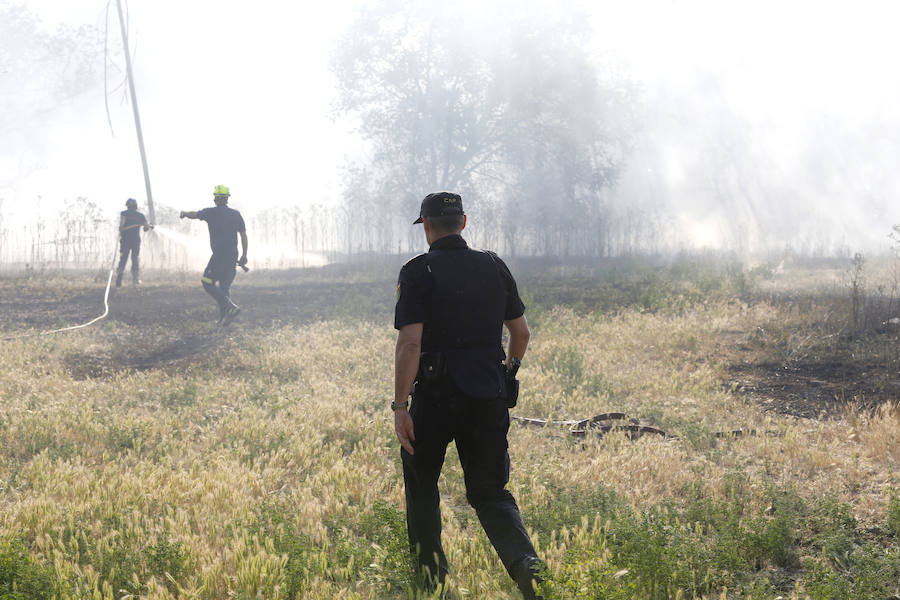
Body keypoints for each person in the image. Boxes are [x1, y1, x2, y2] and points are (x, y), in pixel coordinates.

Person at [392, 192, 544, 599]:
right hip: (488, 396)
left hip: (436, 399)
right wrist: (509, 371)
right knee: (491, 492)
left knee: (422, 486)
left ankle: (431, 584)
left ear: (426, 225)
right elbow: (521, 332)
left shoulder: (418, 271)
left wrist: (400, 406)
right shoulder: (494, 265)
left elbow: (410, 344)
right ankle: (526, 565)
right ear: (463, 222)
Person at [179, 185, 248, 325]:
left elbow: (194, 214)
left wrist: (184, 213)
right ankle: (224, 319)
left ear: (216, 198)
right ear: (227, 198)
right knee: (224, 287)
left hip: (219, 256)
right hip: (232, 256)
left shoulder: (211, 212)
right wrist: (244, 255)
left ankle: (230, 307)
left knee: (206, 282)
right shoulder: (236, 214)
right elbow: (243, 235)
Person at [116, 197, 152, 287]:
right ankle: (135, 280)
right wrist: (147, 227)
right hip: (135, 241)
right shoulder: (140, 215)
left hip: (124, 241)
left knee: (122, 259)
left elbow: (121, 225)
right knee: (135, 258)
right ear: (136, 206)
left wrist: (121, 228)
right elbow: (145, 228)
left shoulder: (124, 213)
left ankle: (119, 280)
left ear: (127, 206)